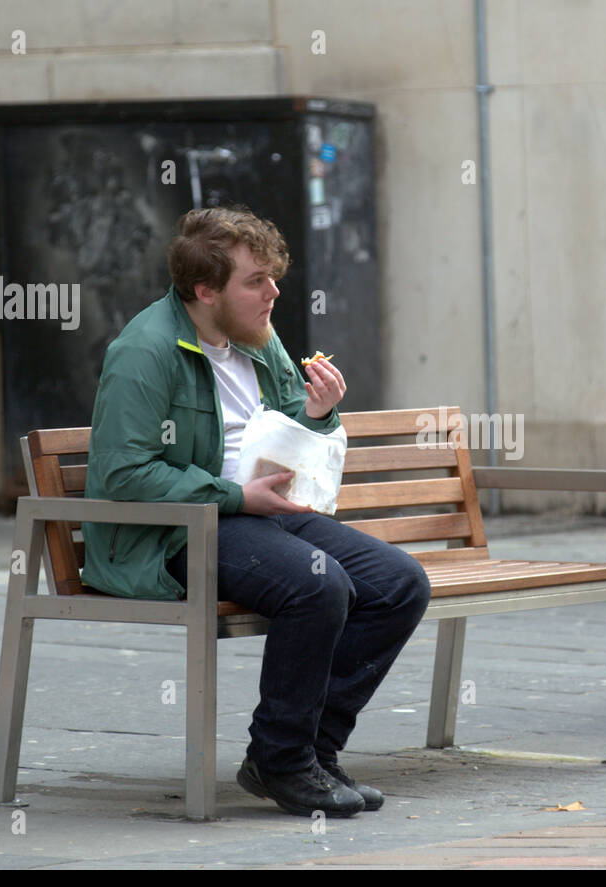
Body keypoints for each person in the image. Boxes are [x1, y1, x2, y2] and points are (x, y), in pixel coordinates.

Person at [81, 206, 431, 818]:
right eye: (256, 281)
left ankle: (309, 753)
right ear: (205, 290)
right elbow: (122, 473)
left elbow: (291, 421)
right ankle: (283, 760)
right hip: (176, 531)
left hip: (258, 513)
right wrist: (237, 497)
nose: (273, 293)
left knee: (400, 584)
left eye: (274, 278)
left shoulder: (255, 337)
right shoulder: (146, 350)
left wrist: (320, 411)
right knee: (318, 586)